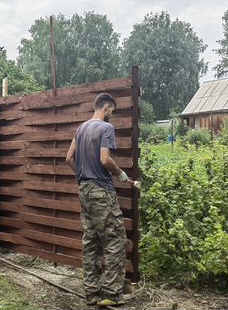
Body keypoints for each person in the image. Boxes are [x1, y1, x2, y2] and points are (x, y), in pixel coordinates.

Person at [66, 93, 134, 307]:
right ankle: (112, 295)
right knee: (115, 241)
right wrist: (121, 174)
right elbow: (105, 159)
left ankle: (92, 293)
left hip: (84, 190)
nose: (112, 114)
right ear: (106, 108)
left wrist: (81, 175)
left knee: (91, 241)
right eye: (112, 110)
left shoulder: (81, 128)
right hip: (101, 192)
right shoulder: (106, 128)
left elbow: (69, 158)